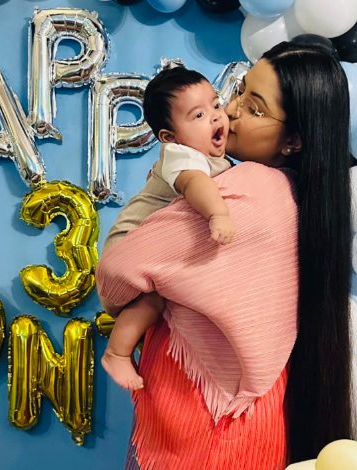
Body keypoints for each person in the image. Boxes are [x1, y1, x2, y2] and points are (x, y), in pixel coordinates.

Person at [96, 41, 354, 469]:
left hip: (198, 425)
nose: (229, 112)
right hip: (251, 420)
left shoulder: (248, 189)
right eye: (238, 92)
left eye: (254, 108)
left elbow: (117, 272)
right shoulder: (299, 199)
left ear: (293, 140)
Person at [101, 65, 235, 391]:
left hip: (150, 245)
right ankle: (116, 353)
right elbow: (195, 184)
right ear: (169, 137)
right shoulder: (181, 156)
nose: (215, 117)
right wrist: (218, 214)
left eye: (216, 105)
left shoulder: (208, 155)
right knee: (152, 299)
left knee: (163, 303)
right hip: (128, 242)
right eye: (199, 115)